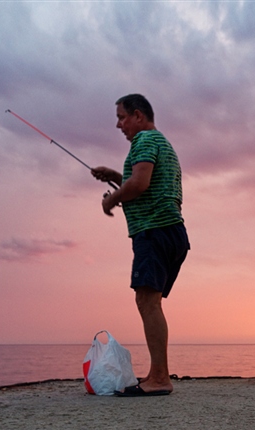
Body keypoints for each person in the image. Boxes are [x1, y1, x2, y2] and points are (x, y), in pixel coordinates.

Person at [91, 94, 189, 396]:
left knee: (147, 302)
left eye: (121, 117)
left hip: (154, 232)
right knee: (151, 302)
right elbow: (145, 182)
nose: (119, 125)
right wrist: (118, 177)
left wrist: (112, 198)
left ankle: (160, 378)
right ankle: (156, 374)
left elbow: (140, 184)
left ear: (137, 115)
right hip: (170, 232)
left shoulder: (144, 140)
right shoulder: (161, 143)